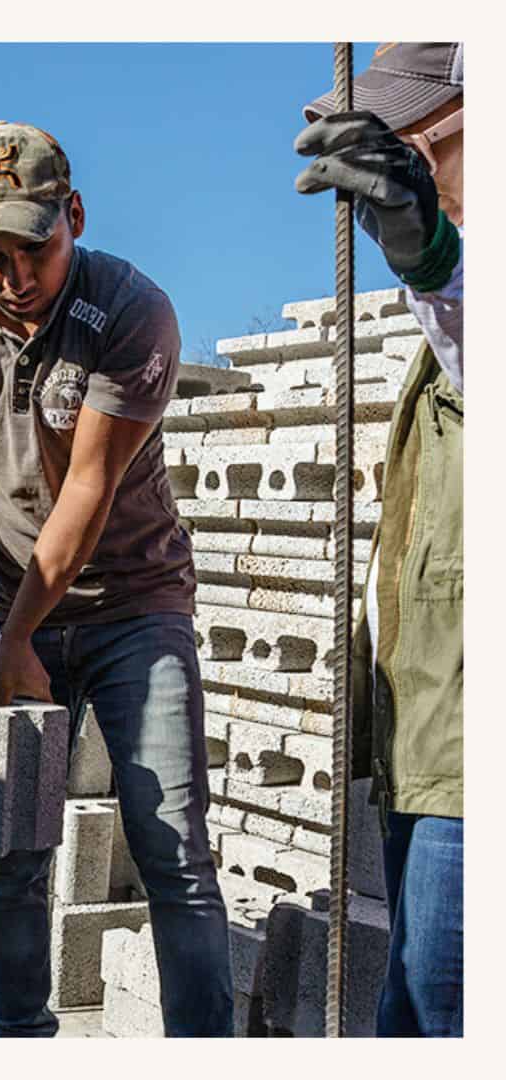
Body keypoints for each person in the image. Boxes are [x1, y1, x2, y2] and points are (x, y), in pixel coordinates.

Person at [0, 121, 233, 1036]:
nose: (13, 276)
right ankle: (21, 1037)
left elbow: (84, 497)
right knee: (14, 847)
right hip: (9, 608)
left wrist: (12, 640)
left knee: (172, 852)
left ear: (72, 216)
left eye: (33, 248)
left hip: (134, 609)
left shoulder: (129, 309)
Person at [295, 42, 464, 1038]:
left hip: (468, 754)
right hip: (426, 728)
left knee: (448, 1008)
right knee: (409, 1003)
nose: (395, 153)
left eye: (412, 135)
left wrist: (427, 247)